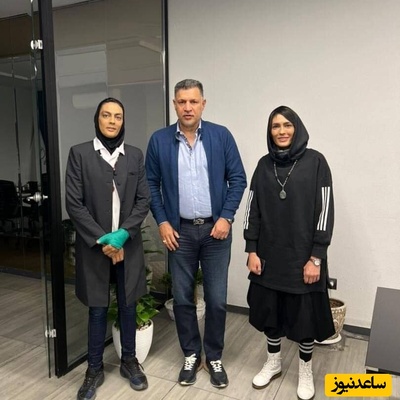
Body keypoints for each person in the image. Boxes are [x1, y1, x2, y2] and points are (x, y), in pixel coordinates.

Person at [145, 79, 246, 388]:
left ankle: (213, 356)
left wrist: (226, 217)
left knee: (216, 300)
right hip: (180, 233)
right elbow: (151, 185)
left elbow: (238, 178)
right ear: (174, 105)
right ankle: (191, 353)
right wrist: (162, 222)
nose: (187, 107)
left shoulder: (220, 135)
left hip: (216, 232)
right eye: (181, 102)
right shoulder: (159, 140)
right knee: (182, 298)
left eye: (193, 101)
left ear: (203, 104)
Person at [243, 106, 335, 400]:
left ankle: (305, 369)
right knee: (271, 314)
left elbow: (325, 211)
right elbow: (252, 209)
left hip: (303, 257)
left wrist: (316, 257)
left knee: (304, 319)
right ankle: (273, 362)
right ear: (269, 132)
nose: (281, 131)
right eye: (275, 126)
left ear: (297, 128)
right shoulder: (263, 165)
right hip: (269, 256)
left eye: (287, 125)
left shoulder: (316, 162)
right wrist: (251, 249)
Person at [65, 97, 151, 400]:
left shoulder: (134, 155)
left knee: (128, 304)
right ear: (97, 119)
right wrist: (105, 240)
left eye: (118, 116)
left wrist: (123, 235)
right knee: (98, 307)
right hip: (96, 247)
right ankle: (94, 369)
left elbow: (143, 200)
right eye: (106, 115)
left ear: (123, 121)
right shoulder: (80, 154)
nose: (112, 121)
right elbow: (74, 204)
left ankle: (129, 361)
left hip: (128, 245)